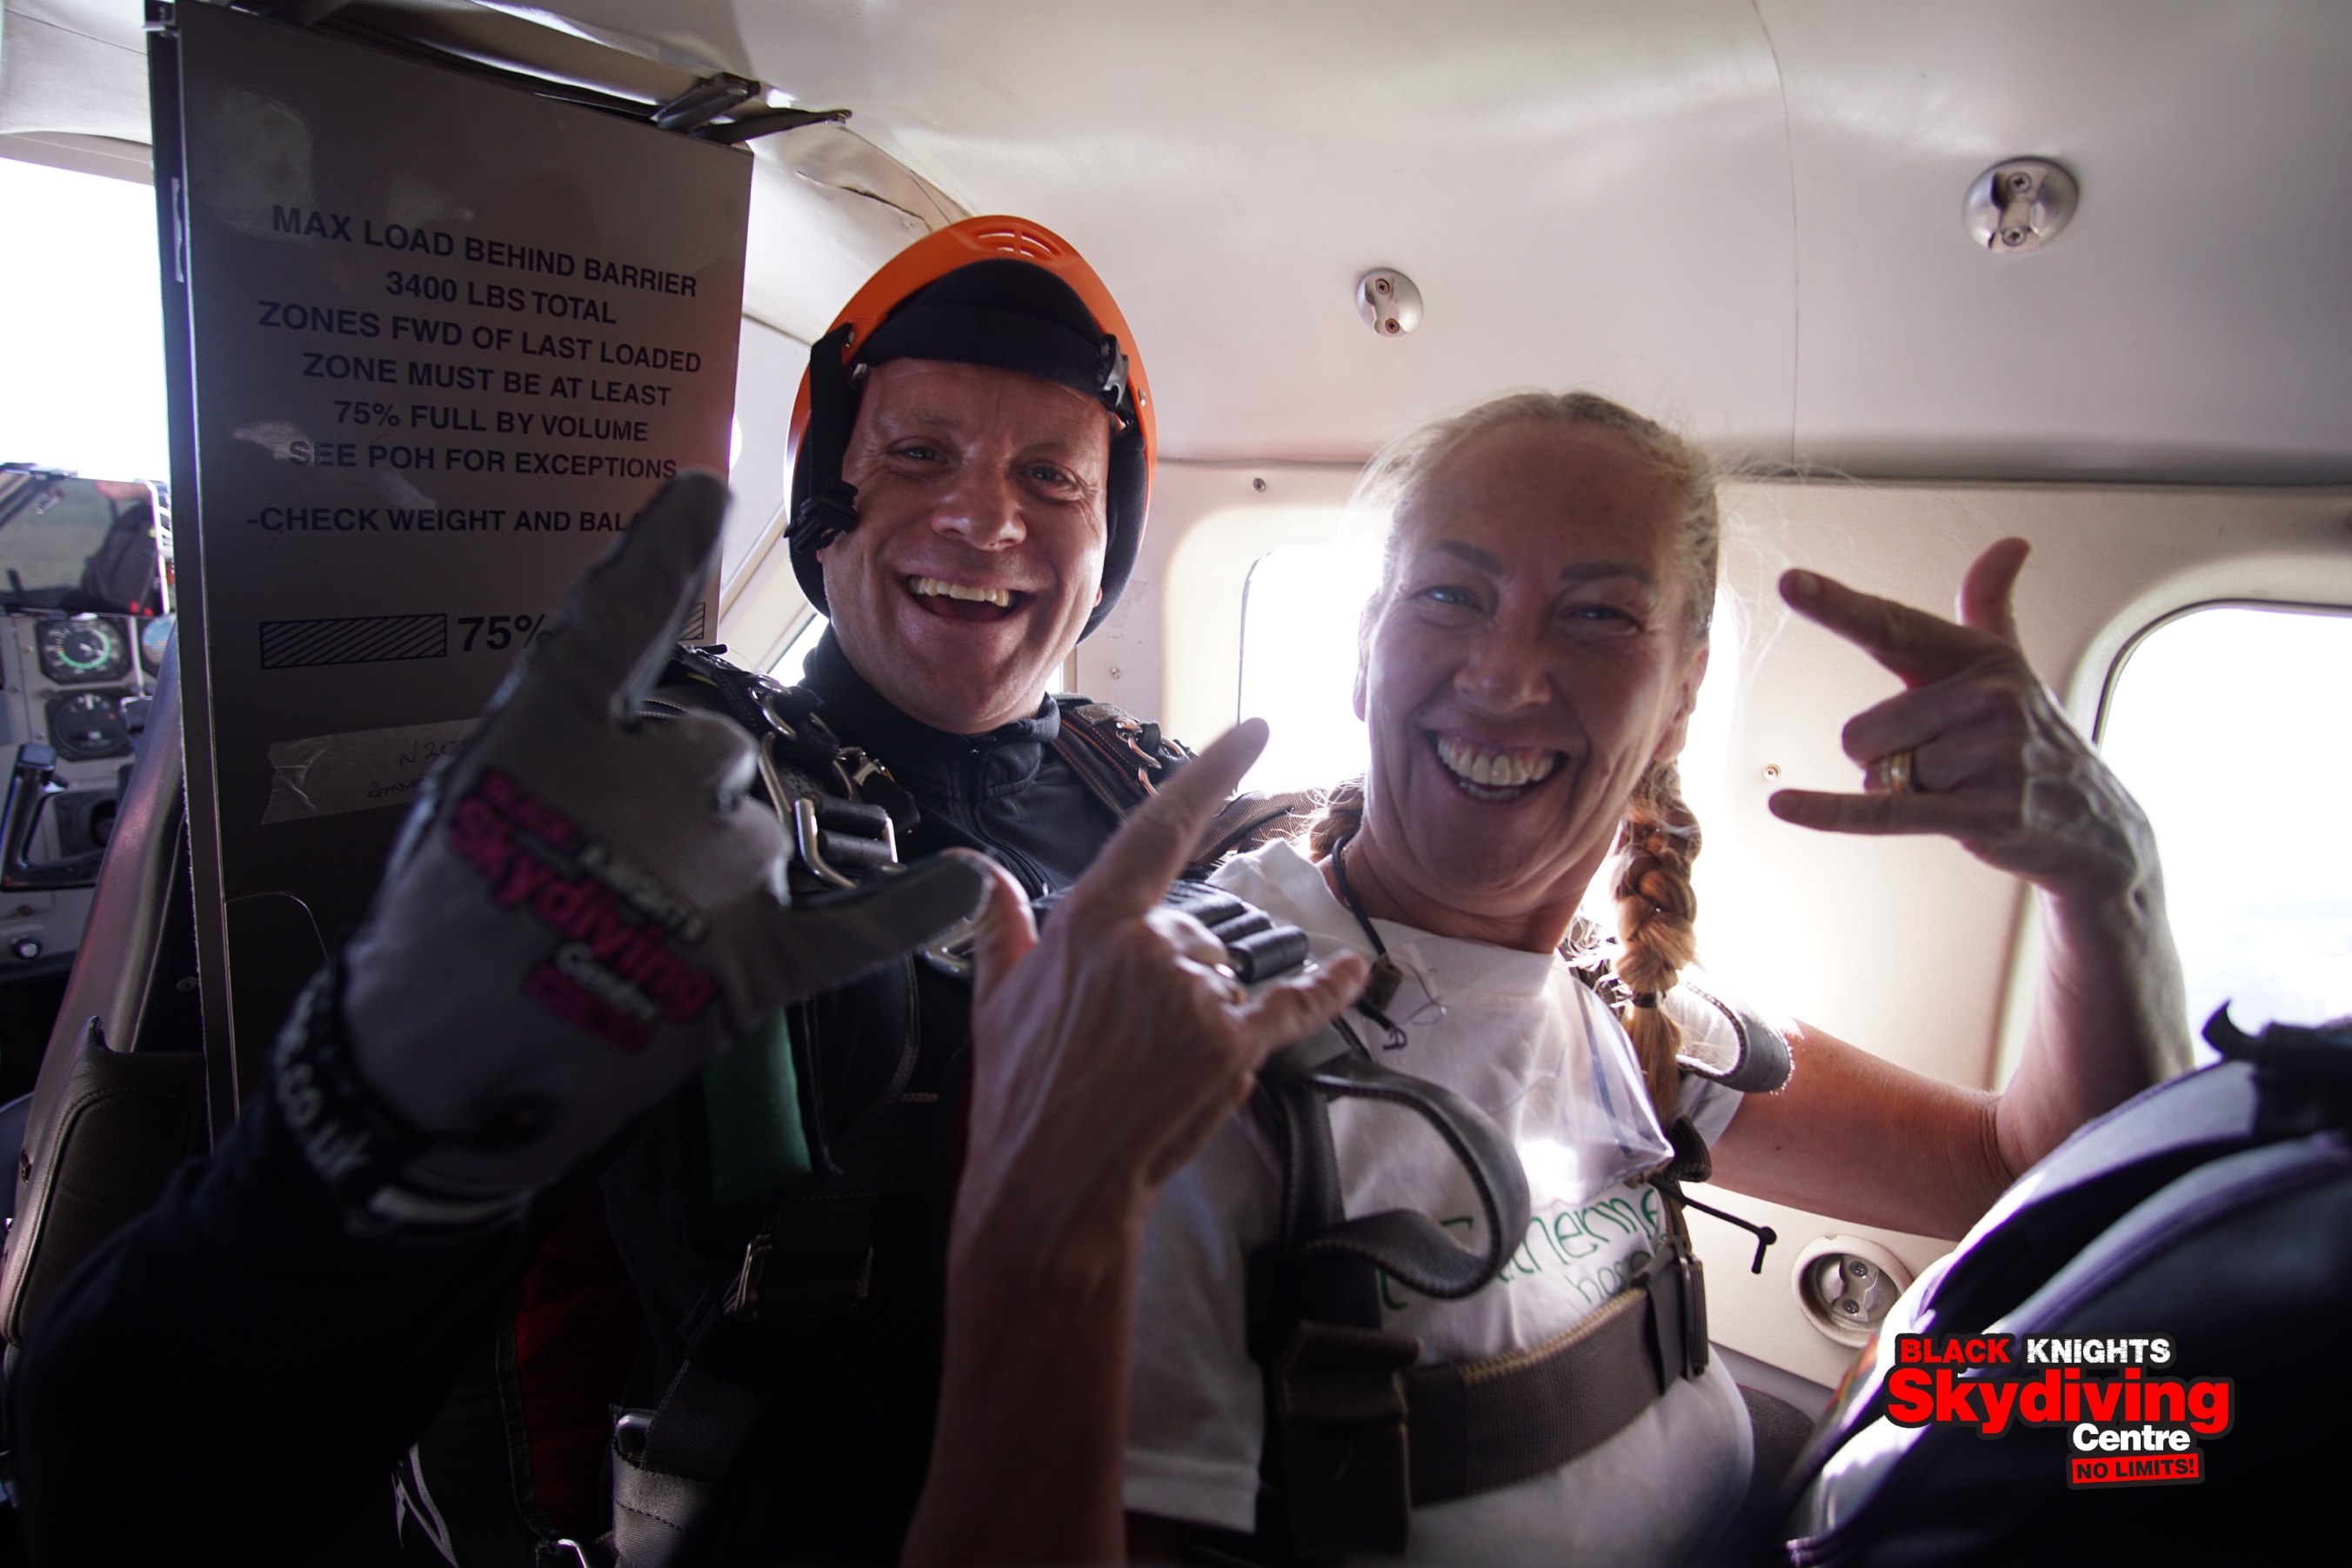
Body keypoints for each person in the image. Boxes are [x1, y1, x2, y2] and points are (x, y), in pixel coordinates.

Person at [10, 217, 1363, 1566]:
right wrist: (390, 1109)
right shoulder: (667, 807)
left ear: (1110, 530)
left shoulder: (1153, 794)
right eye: (919, 453)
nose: (985, 516)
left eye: (1052, 476)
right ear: (823, 501)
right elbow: (134, 1490)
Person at [1118, 390, 2192, 1565]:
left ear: (1682, 696)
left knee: (2171, 1414)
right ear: (1365, 649)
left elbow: (2029, 1173)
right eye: (1450, 595)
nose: (1506, 674)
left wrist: (2108, 883)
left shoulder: (1628, 1005)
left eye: (1597, 615)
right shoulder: (1195, 1028)